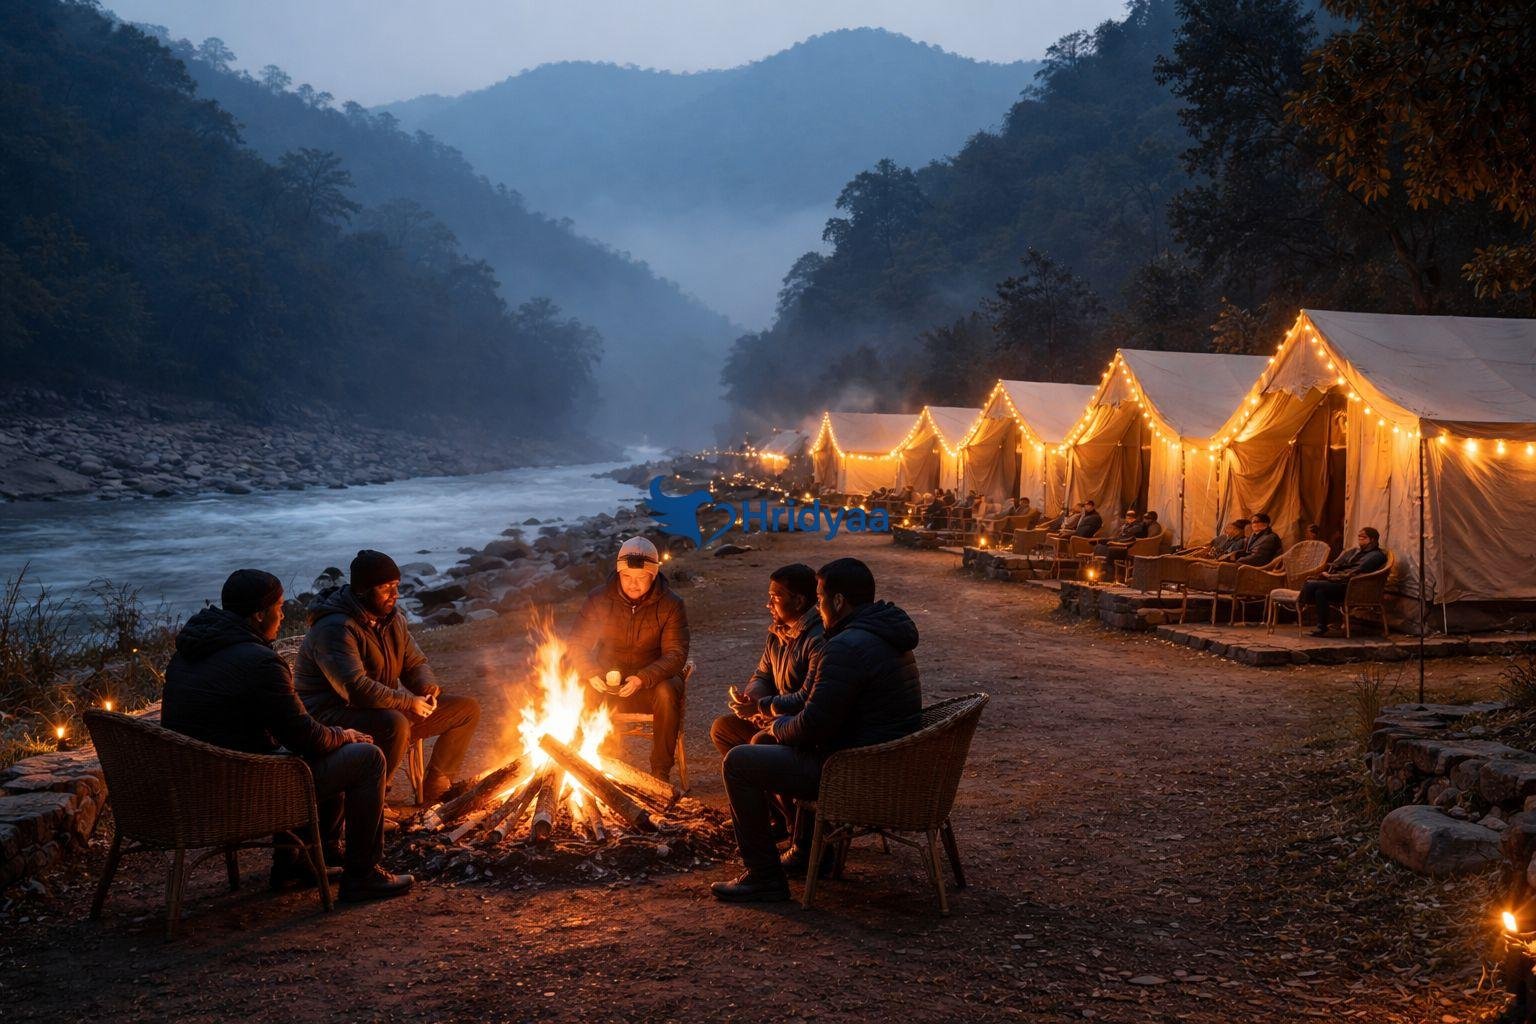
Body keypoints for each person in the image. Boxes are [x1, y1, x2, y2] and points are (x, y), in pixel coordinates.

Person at [162, 569, 412, 902]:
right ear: (259, 614)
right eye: (279, 608)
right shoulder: (261, 662)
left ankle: (297, 861)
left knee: (311, 753)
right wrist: (344, 735)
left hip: (187, 792)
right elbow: (305, 738)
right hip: (242, 791)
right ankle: (362, 875)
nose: (282, 615)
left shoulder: (186, 655)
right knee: (364, 757)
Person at [712, 557, 922, 903]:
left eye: (821, 596)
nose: (817, 603)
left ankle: (765, 878)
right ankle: (798, 841)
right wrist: (768, 712)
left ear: (838, 601)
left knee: (739, 763)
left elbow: (811, 727)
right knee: (755, 741)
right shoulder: (878, 634)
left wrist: (776, 726)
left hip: (851, 769)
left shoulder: (844, 646)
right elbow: (814, 702)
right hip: (879, 759)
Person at [294, 550, 482, 807]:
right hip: (333, 716)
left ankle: (437, 788)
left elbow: (415, 662)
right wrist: (407, 703)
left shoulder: (392, 620)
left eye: (396, 586)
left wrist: (426, 688)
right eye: (385, 588)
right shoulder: (335, 628)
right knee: (394, 723)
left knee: (466, 709)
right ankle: (373, 802)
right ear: (362, 590)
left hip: (381, 709)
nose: (394, 594)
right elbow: (355, 689)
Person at [573, 536, 691, 781]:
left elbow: (675, 655)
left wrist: (641, 678)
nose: (633, 585)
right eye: (627, 577)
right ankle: (594, 765)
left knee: (667, 691)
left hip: (652, 684)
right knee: (580, 687)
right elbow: (576, 645)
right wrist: (591, 672)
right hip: (608, 684)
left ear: (654, 575)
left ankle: (660, 773)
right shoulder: (599, 600)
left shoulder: (671, 605)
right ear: (618, 573)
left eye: (641, 578)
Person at [1299, 527, 1389, 637]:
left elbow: (1353, 574)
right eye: (1359, 536)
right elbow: (1338, 564)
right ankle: (1321, 627)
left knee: (1310, 584)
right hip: (1340, 583)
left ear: (1373, 540)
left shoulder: (1376, 556)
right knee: (1319, 591)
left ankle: (1300, 606)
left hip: (1352, 587)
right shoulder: (1356, 552)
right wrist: (1340, 560)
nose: (1360, 539)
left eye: (1363, 537)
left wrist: (1330, 577)